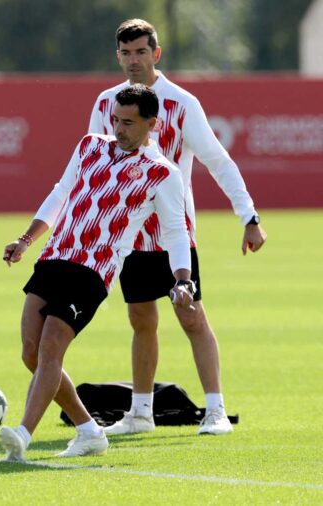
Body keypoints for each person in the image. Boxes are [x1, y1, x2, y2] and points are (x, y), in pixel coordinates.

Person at [88, 19, 267, 436]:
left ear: (156, 53)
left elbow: (217, 161)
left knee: (190, 315)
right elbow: (95, 164)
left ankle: (216, 409)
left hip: (174, 232)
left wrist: (249, 217)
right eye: (126, 54)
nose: (134, 61)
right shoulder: (105, 103)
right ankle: (140, 413)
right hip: (129, 233)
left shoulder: (181, 103)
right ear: (118, 56)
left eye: (141, 52)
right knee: (140, 318)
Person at [0, 84, 195, 461]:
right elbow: (61, 192)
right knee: (31, 353)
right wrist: (26, 240)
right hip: (55, 257)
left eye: (128, 123)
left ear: (151, 124)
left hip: (93, 269)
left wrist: (183, 279)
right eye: (115, 120)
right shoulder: (90, 145)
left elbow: (175, 230)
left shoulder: (162, 173)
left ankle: (23, 434)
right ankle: (88, 429)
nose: (118, 129)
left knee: (52, 347)